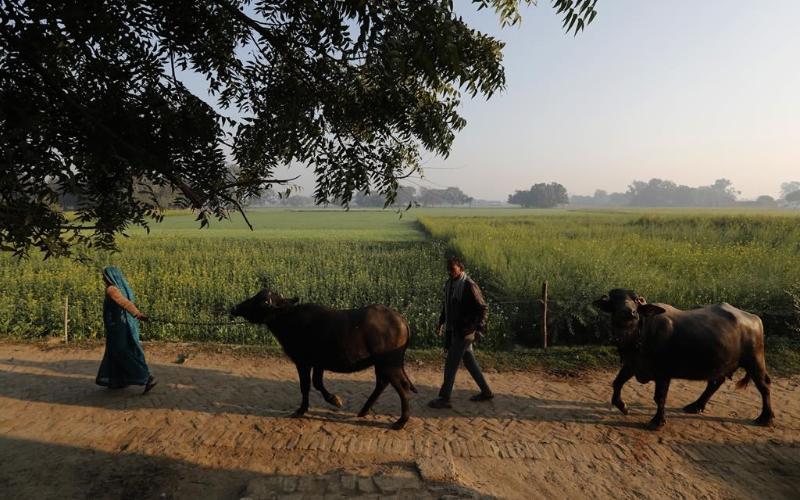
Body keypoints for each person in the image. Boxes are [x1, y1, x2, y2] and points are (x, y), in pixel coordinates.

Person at [428, 256, 493, 409]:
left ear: (461, 268)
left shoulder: (469, 285)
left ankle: (444, 398)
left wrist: (479, 328)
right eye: (448, 269)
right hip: (456, 329)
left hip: (466, 331)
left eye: (452, 269)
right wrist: (441, 322)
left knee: (451, 363)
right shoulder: (450, 284)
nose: (450, 272)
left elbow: (483, 308)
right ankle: (486, 392)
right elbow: (447, 306)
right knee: (469, 361)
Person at [96, 266, 157, 393]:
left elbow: (124, 302)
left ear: (110, 277)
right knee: (121, 351)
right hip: (128, 324)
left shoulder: (112, 289)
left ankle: (145, 377)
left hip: (118, 327)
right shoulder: (123, 287)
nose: (102, 278)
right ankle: (119, 381)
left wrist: (137, 313)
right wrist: (137, 315)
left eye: (104, 276)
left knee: (121, 352)